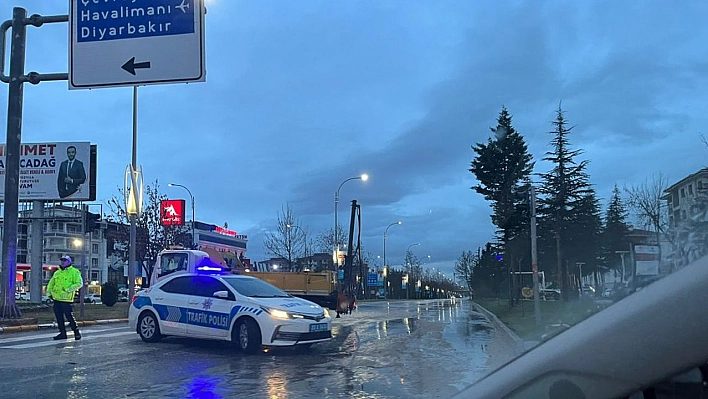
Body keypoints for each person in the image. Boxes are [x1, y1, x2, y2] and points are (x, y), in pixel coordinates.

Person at [46, 255, 83, 340]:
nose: (63, 262)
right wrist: (49, 293)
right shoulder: (57, 272)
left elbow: (79, 283)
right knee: (59, 317)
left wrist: (68, 289)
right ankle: (62, 333)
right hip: (56, 298)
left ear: (69, 262)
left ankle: (76, 332)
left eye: (65, 261)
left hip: (66, 299)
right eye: (62, 260)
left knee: (69, 316)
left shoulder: (74, 272)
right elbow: (51, 283)